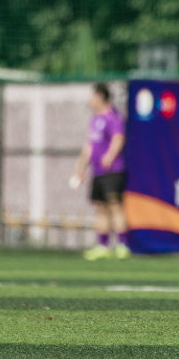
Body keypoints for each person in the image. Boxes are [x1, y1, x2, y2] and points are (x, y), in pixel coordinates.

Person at [71, 83, 129, 261]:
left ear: (101, 97)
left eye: (93, 96)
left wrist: (110, 156)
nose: (90, 100)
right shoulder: (95, 120)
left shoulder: (113, 117)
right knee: (100, 208)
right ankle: (103, 246)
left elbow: (119, 138)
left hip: (112, 171)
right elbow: (89, 146)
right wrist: (81, 166)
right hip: (97, 172)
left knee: (115, 207)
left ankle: (122, 246)